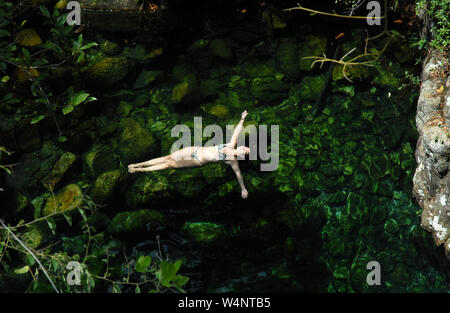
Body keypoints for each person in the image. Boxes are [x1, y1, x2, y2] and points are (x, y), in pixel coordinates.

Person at [128, 110, 251, 199]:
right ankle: (139, 164)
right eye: (245, 147)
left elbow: (238, 174)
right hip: (195, 150)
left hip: (196, 161)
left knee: (169, 164)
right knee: (168, 157)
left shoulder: (232, 160)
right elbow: (237, 130)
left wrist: (243, 189)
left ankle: (139, 170)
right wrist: (242, 118)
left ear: (241, 155)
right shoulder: (231, 144)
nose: (243, 148)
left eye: (244, 151)